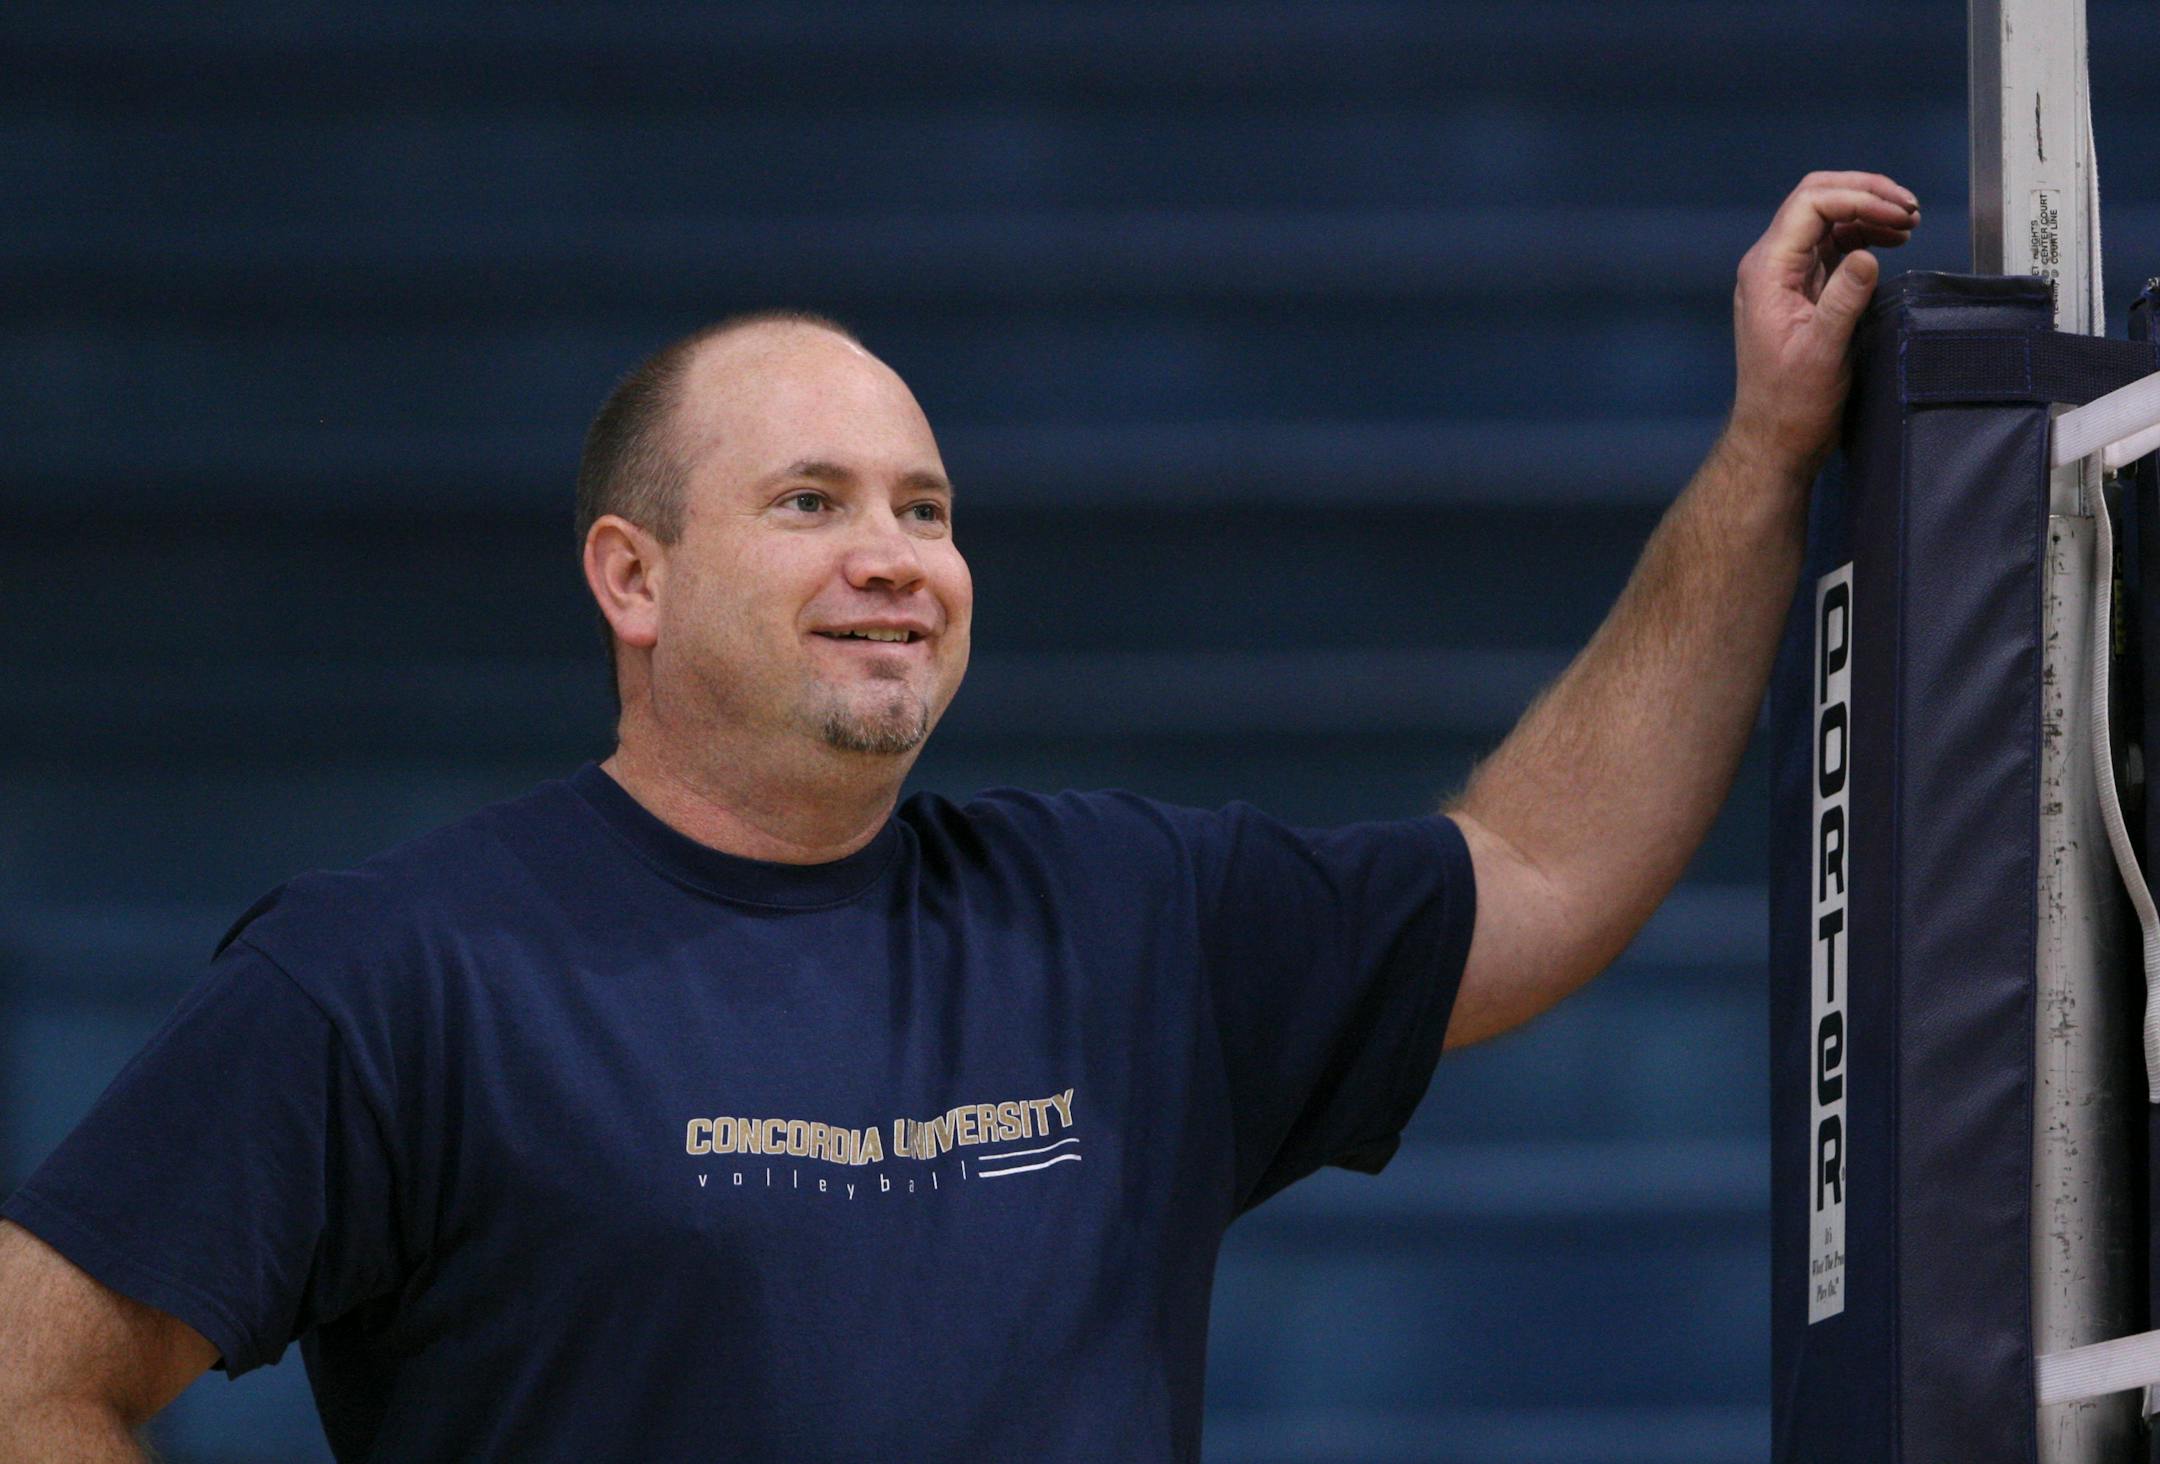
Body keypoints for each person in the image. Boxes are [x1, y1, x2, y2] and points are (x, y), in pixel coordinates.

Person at [0, 172, 1917, 1463]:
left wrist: (1760, 456)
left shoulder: (1122, 918)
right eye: (812, 503)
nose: (896, 558)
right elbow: (36, 1373)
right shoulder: (401, 971)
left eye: (926, 510)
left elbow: (1545, 873)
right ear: (631, 577)